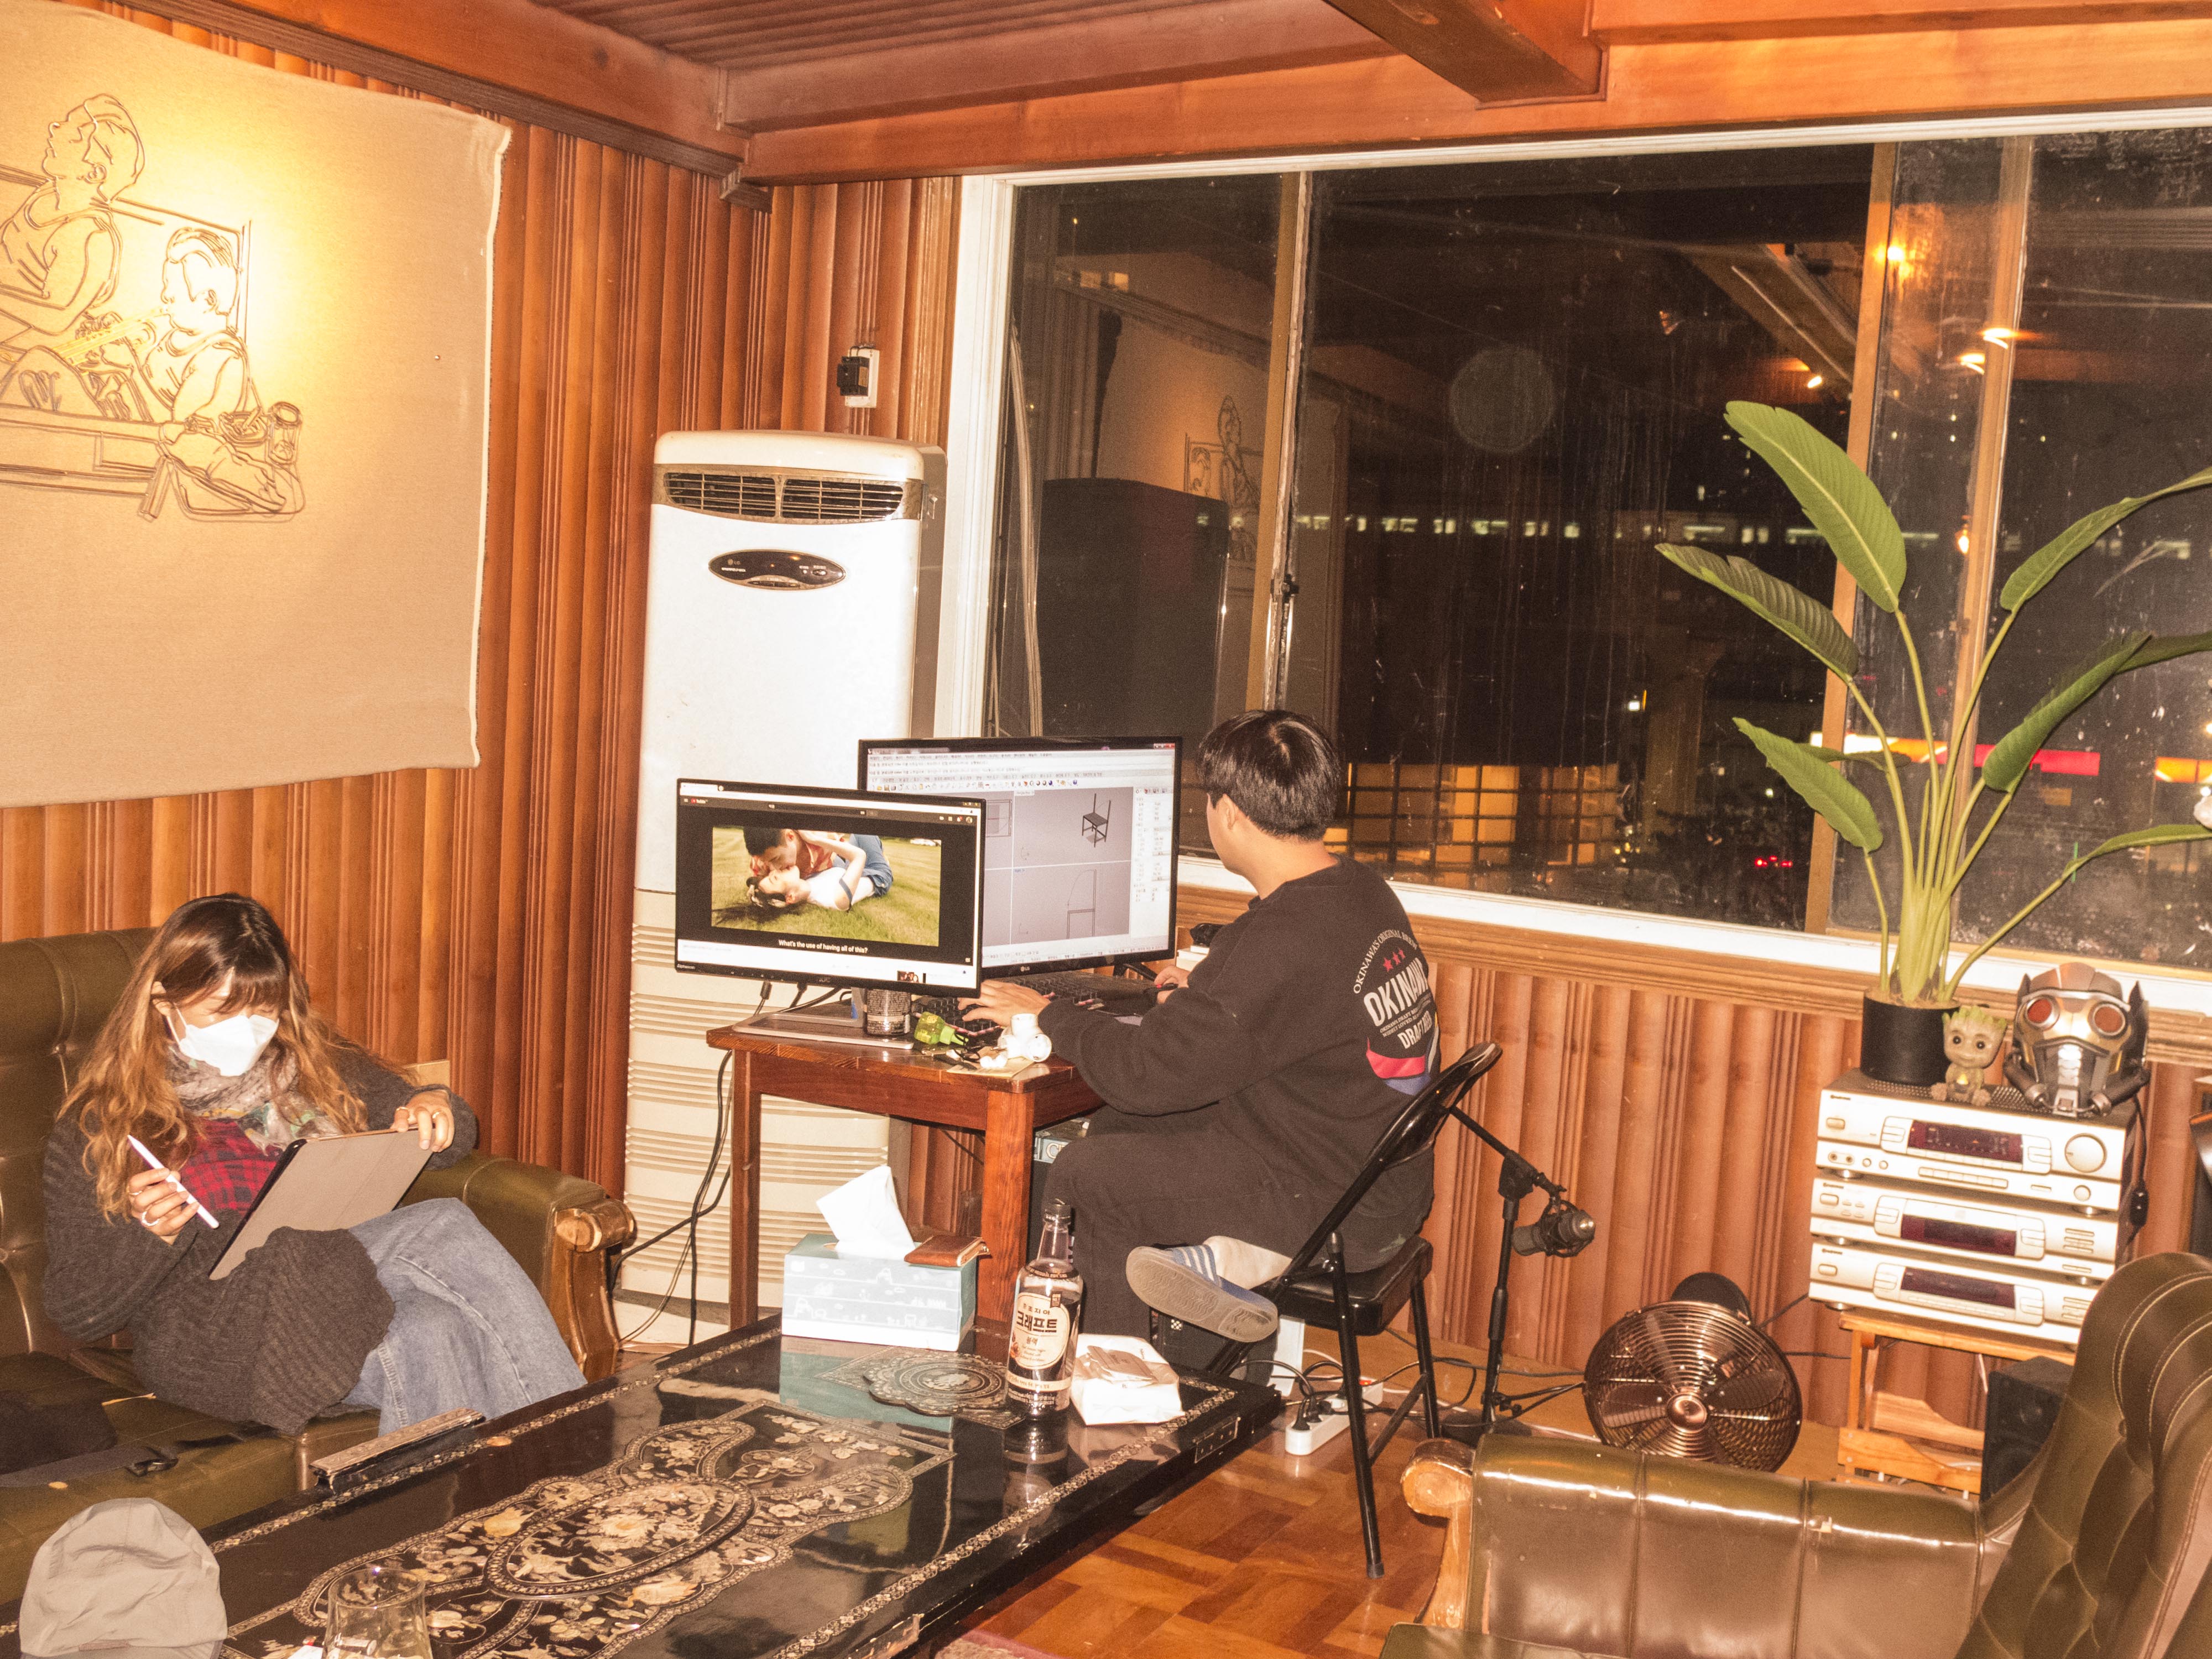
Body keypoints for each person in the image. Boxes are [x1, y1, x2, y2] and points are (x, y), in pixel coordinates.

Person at [964, 710, 1440, 1339]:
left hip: (1334, 1203)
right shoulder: (1356, 888)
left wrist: (1047, 1014)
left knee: (1087, 1173)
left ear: (1229, 814)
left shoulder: (1282, 939)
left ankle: (1119, 1377)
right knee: (1118, 1125)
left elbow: (1143, 1075)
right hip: (1372, 1174)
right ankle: (1215, 1267)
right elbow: (1285, 1001)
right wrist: (1207, 989)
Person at [41, 894, 585, 1437]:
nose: (247, 1032)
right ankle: (575, 1435)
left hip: (331, 1294)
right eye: (222, 1013)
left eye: (263, 1013)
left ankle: (478, 1491)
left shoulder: (311, 1062)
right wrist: (151, 1237)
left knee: (429, 1329)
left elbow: (444, 1139)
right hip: (210, 1331)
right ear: (164, 1002)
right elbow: (76, 1312)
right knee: (442, 1224)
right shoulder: (102, 1124)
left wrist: (434, 1104)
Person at [0, 97, 143, 366]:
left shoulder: (89, 234)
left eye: (74, 135)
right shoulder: (47, 194)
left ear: (95, 173)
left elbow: (56, 316)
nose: (55, 128)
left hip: (24, 354)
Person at [749, 833, 893, 916]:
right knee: (863, 833)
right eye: (774, 878)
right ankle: (882, 861)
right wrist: (813, 839)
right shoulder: (836, 899)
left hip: (844, 870)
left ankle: (878, 854)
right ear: (791, 897)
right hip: (876, 875)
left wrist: (755, 891)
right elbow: (859, 855)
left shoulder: (803, 882)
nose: (774, 870)